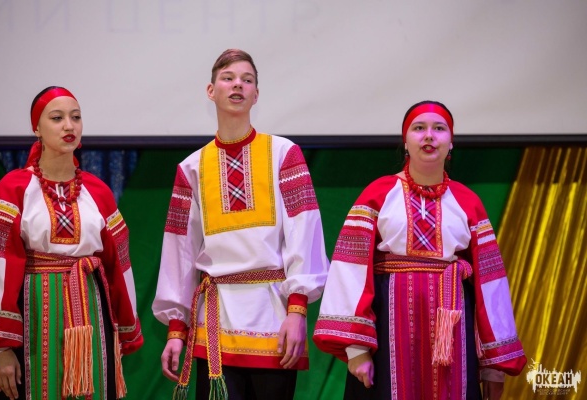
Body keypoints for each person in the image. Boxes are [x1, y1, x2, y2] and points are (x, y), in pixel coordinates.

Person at [313, 101, 527, 400]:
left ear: (451, 142)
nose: (429, 135)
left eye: (439, 128)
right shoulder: (378, 194)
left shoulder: (468, 202)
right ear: (405, 141)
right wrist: (356, 349)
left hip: (454, 332)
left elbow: (490, 284)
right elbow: (350, 269)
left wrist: (493, 367)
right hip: (389, 330)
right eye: (419, 128)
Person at [152, 48, 329, 400]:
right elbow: (179, 250)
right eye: (228, 78)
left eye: (247, 80)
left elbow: (304, 231)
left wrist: (297, 311)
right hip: (214, 322)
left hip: (274, 318)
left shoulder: (284, 154)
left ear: (256, 94)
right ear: (211, 90)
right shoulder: (191, 168)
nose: (238, 85)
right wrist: (176, 329)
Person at [0, 86, 144, 400]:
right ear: (37, 128)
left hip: (91, 312)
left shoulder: (97, 192)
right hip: (34, 315)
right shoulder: (14, 188)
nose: (69, 126)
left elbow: (119, 265)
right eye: (57, 118)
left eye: (76, 117)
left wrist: (125, 328)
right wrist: (0, 348)